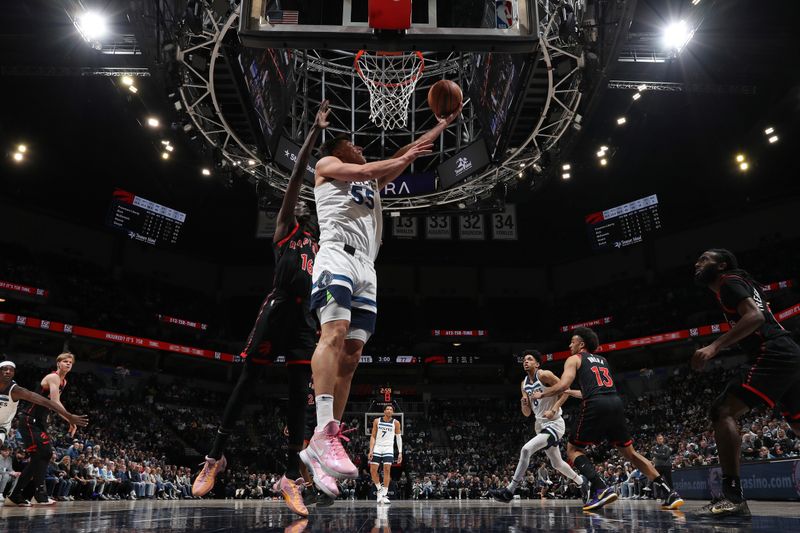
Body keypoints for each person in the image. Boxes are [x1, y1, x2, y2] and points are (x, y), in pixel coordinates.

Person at [301, 104, 461, 491]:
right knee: (333, 335)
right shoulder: (329, 166)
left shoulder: (368, 183)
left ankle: (326, 445)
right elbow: (369, 168)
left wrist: (439, 126)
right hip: (336, 254)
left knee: (352, 357)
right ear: (341, 151)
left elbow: (404, 155)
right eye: (354, 144)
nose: (360, 148)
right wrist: (399, 157)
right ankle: (323, 429)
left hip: (368, 269)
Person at [192, 101, 331, 518]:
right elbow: (295, 180)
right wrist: (313, 136)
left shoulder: (323, 245)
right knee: (249, 380)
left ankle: (290, 476)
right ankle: (214, 456)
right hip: (279, 308)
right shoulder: (287, 228)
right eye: (303, 204)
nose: (305, 206)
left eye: (311, 207)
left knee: (297, 398)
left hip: (307, 318)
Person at [692, 248, 800, 517]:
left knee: (722, 410)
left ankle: (732, 497)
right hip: (789, 353)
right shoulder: (740, 283)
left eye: (705, 259)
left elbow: (755, 317)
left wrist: (714, 347)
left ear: (722, 265)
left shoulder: (729, 281)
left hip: (773, 352)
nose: (698, 263)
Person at [532, 327, 683, 511]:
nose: (569, 344)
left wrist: (542, 394)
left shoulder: (574, 359)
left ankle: (601, 488)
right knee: (631, 454)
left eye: (572, 341)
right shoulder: (603, 361)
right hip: (615, 402)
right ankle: (669, 492)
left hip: (596, 404)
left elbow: (563, 383)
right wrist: (569, 392)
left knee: (573, 450)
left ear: (581, 344)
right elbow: (590, 389)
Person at [490, 350, 585, 503]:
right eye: (524, 360)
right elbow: (527, 413)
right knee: (557, 463)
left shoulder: (544, 375)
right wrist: (524, 404)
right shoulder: (524, 384)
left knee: (526, 449)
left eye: (529, 359)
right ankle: (582, 483)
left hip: (554, 423)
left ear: (537, 363)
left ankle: (510, 490)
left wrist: (554, 408)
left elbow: (565, 390)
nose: (525, 362)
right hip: (539, 424)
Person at [1, 357, 89, 507]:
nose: (68, 363)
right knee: (45, 453)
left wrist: (67, 419)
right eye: (65, 361)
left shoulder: (63, 382)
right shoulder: (53, 377)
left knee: (41, 456)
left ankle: (17, 495)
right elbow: (54, 402)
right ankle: (38, 495)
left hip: (38, 421)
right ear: (58, 363)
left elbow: (55, 404)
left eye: (70, 362)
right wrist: (69, 418)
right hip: (30, 418)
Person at [368, 405, 402, 504]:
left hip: (388, 448)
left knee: (387, 470)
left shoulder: (396, 423)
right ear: (384, 411)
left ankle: (384, 494)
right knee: (373, 471)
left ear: (393, 412)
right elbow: (373, 436)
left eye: (391, 409)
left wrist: (400, 452)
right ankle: (379, 489)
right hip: (378, 447)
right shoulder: (377, 421)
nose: (389, 410)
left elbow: (398, 438)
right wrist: (371, 450)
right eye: (387, 409)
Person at [651, 434, 673, 500]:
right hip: (657, 466)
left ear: (663, 439)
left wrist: (658, 455)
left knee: (669, 481)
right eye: (658, 439)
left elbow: (666, 457)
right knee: (658, 481)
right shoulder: (653, 448)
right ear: (656, 440)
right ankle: (658, 496)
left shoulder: (667, 447)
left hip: (667, 466)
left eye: (661, 439)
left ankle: (672, 494)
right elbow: (654, 454)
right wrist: (662, 454)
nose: (660, 440)